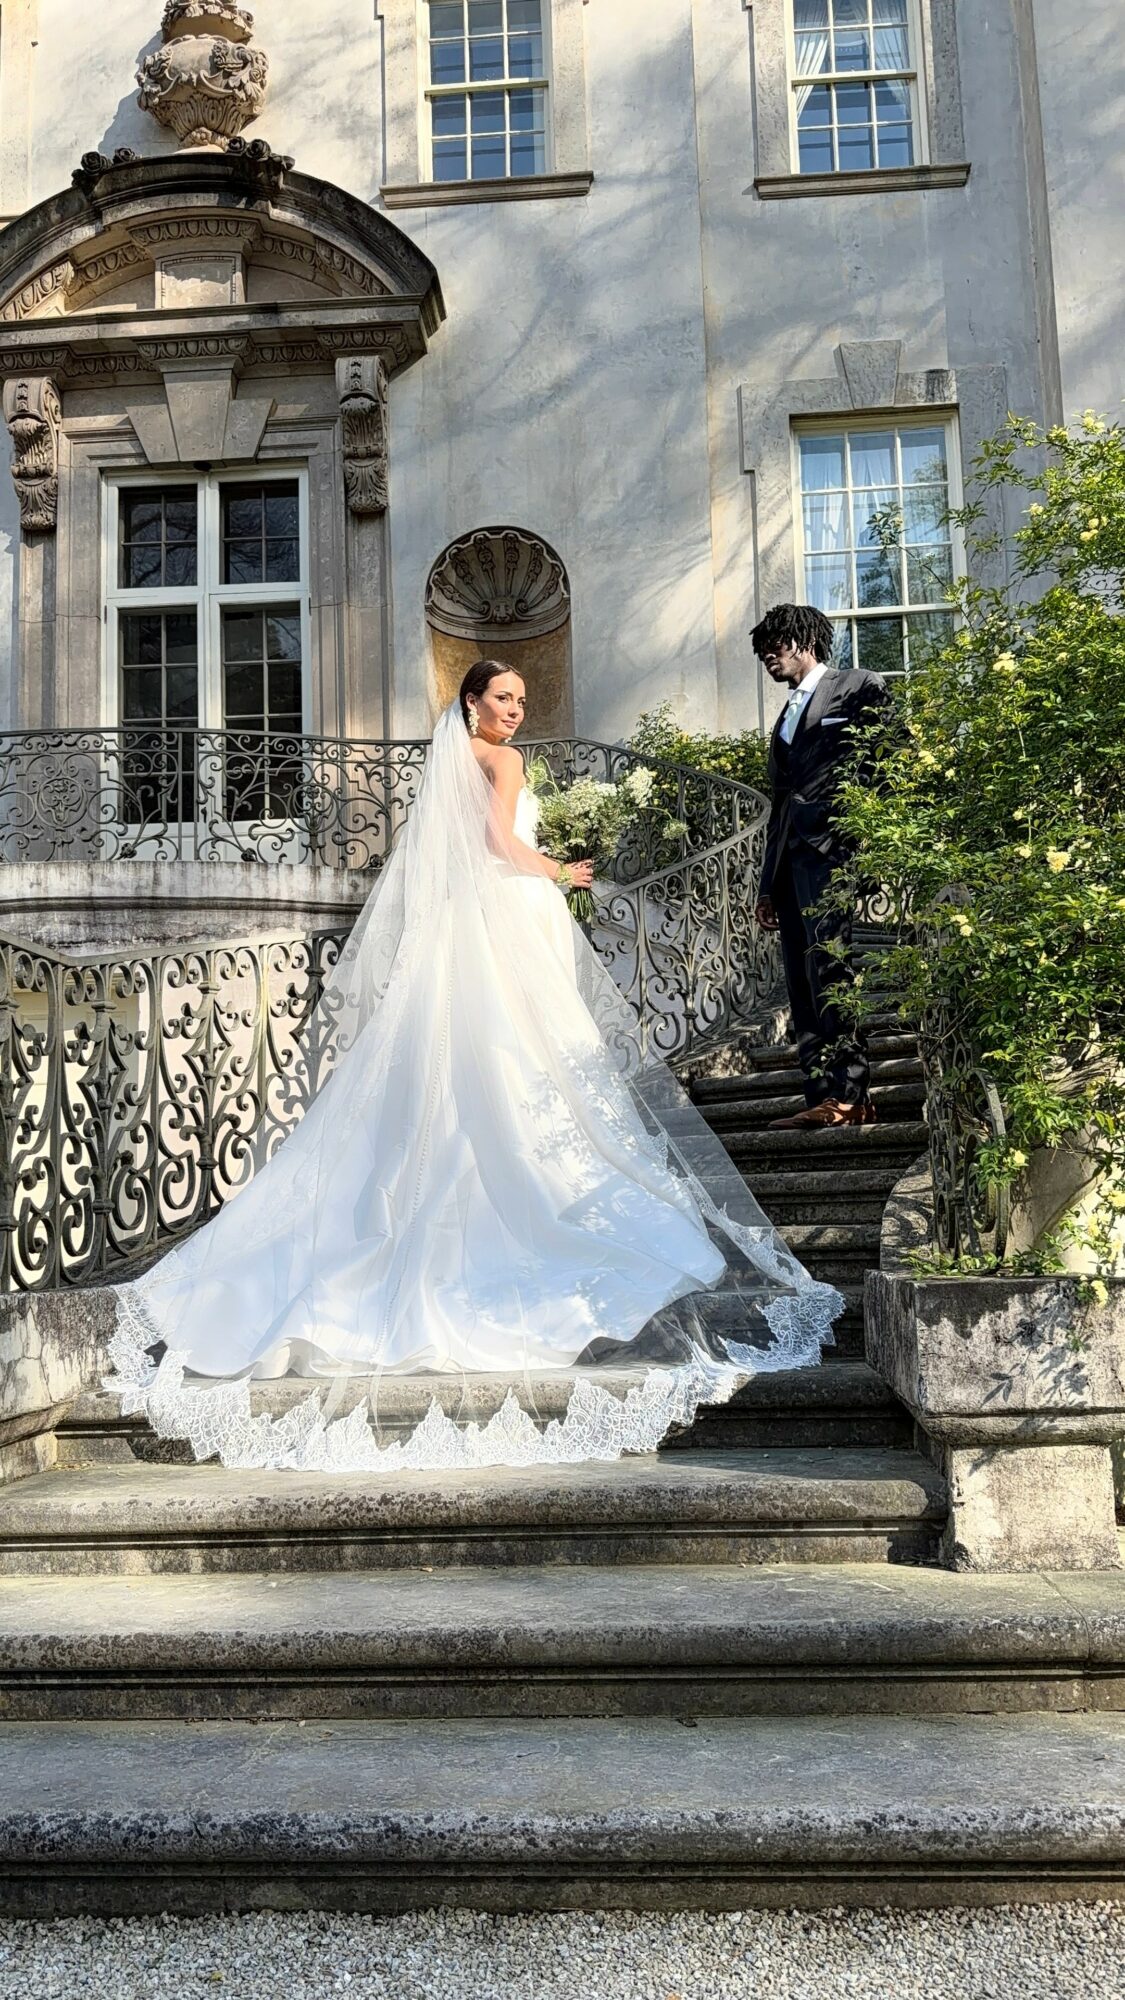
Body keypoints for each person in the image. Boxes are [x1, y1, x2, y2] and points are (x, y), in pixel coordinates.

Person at [107, 660, 842, 1471]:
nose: (517, 712)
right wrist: (559, 870)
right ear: (470, 702)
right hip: (506, 920)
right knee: (524, 1069)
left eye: (523, 702)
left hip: (468, 926)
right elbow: (499, 842)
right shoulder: (503, 762)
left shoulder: (453, 760)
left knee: (466, 1077)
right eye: (503, 699)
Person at [751, 604, 893, 1129]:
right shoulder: (786, 716)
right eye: (763, 648)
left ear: (806, 641)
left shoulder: (858, 687)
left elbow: (886, 761)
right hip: (790, 863)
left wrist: (863, 844)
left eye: (778, 643)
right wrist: (767, 884)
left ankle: (854, 1094)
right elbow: (780, 804)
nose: (769, 655)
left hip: (833, 852)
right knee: (802, 978)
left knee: (832, 970)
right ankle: (821, 1094)